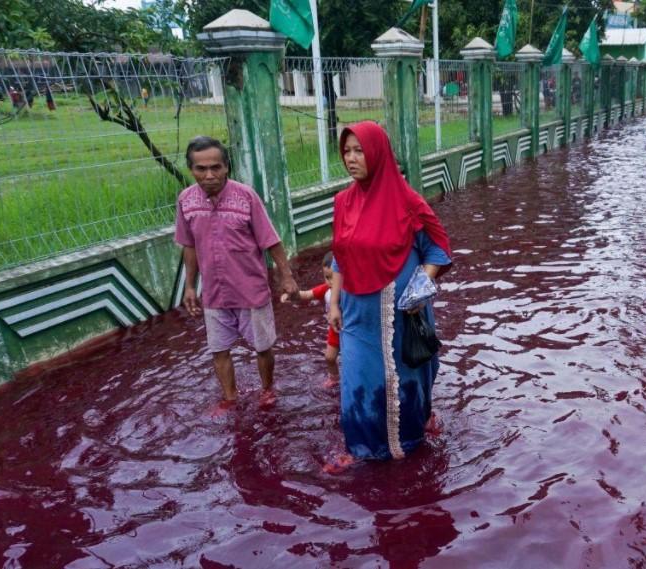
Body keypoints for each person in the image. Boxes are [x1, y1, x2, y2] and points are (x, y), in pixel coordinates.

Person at [326, 121, 452, 467]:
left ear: (378, 153)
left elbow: (438, 250)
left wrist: (418, 290)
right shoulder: (343, 202)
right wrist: (334, 302)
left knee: (407, 378)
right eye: (346, 151)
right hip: (356, 315)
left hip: (401, 314)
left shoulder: (407, 202)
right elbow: (340, 255)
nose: (351, 159)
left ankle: (410, 439)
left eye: (359, 151)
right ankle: (361, 449)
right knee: (357, 380)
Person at [174, 136, 299, 411]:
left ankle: (267, 390)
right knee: (218, 349)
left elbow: (271, 240)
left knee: (263, 346)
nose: (209, 175)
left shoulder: (246, 197)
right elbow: (189, 245)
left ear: (227, 167)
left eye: (216, 167)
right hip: (214, 293)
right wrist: (191, 287)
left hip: (250, 289)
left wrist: (286, 275)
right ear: (191, 169)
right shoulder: (186, 201)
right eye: (201, 169)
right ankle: (230, 398)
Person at [281, 251, 341, 369]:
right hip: (334, 328)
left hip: (350, 327)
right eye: (327, 277)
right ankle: (333, 377)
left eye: (334, 277)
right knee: (329, 357)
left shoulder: (350, 290)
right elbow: (308, 294)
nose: (330, 281)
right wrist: (292, 295)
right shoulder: (326, 289)